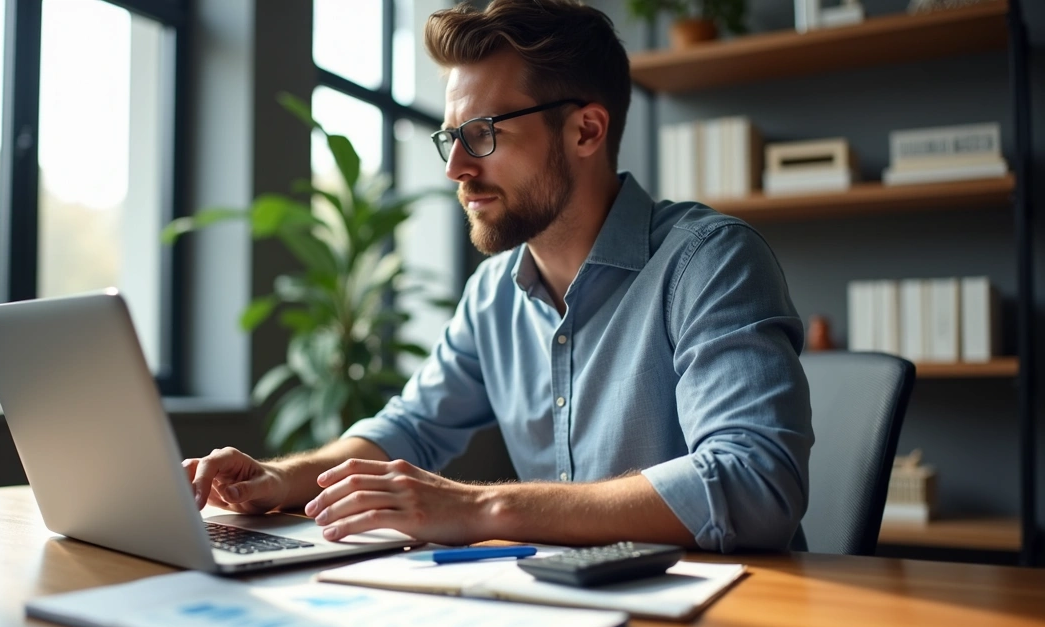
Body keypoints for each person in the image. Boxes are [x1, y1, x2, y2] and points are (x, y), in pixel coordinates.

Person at [185, 0, 813, 553]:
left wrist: (480, 508)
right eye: (450, 136)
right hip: (563, 606)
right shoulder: (493, 292)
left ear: (586, 130)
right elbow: (406, 429)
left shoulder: (710, 260)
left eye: (482, 133)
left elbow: (755, 484)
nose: (456, 165)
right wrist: (277, 479)